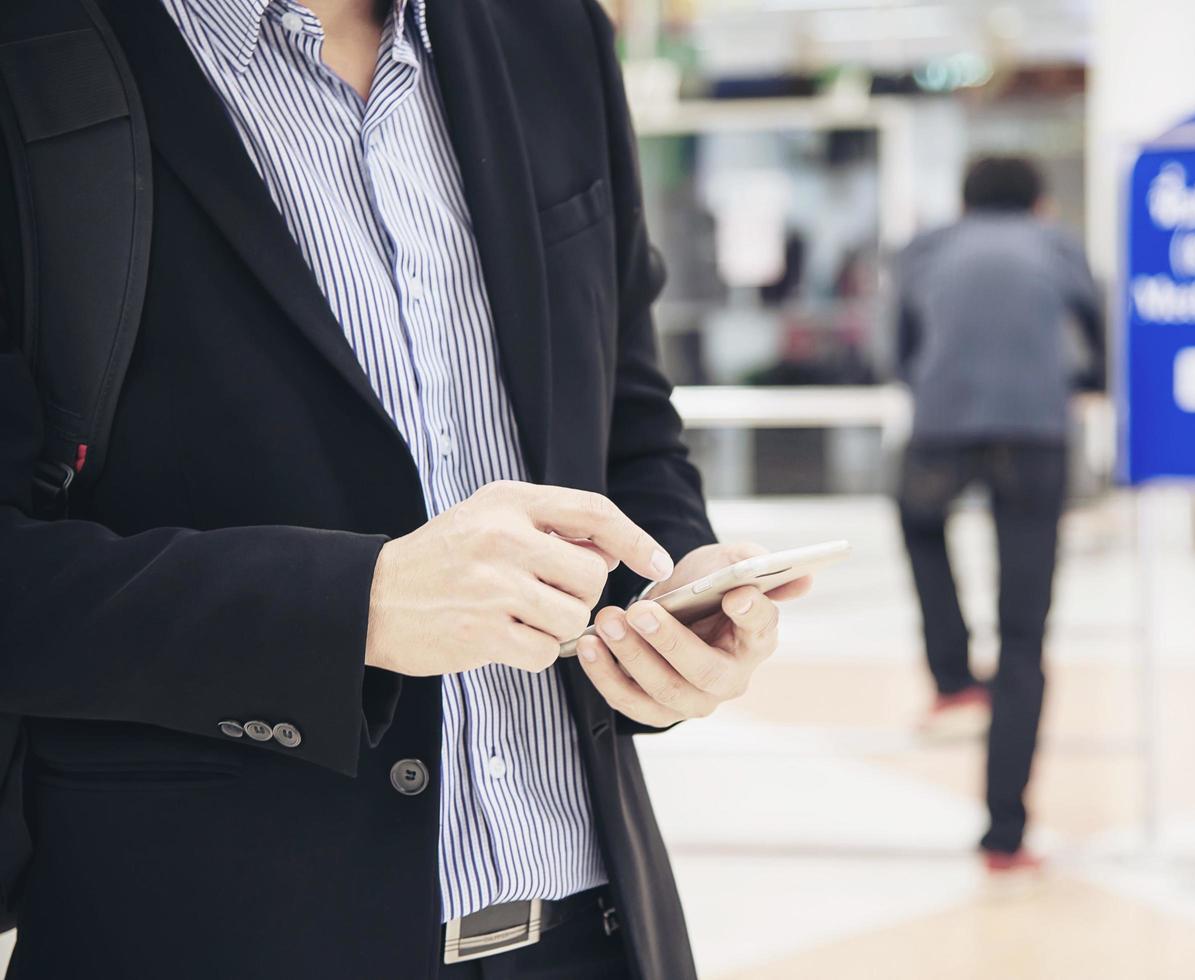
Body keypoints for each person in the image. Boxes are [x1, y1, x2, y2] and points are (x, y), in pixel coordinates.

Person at [0, 1, 812, 977]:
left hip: (593, 932)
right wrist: (357, 606)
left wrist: (667, 599)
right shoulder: (34, 51)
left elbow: (625, 416)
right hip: (214, 933)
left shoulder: (548, 33)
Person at [894, 156, 1103, 871]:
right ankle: (1004, 835)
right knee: (1024, 637)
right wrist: (1077, 382)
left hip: (942, 430)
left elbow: (896, 346)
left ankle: (952, 674)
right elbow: (1104, 337)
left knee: (918, 522)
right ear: (1040, 201)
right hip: (1036, 437)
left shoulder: (930, 246)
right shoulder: (1057, 245)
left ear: (964, 198)